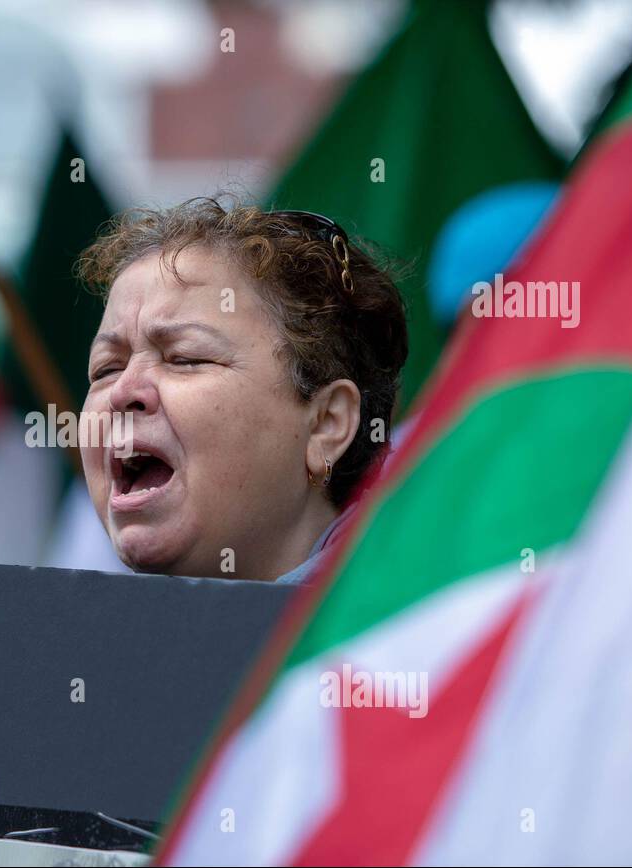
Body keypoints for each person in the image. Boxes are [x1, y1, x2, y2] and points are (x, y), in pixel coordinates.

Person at [76, 196, 408, 584]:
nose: (123, 391)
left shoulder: (424, 630)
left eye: (184, 358)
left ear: (326, 425)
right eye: (106, 369)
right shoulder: (78, 635)